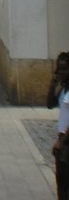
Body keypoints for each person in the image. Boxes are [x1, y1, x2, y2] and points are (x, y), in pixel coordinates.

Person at [48, 51, 69, 200]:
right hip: (62, 139)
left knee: (65, 183)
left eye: (64, 69)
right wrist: (52, 84)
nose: (60, 72)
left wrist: (61, 142)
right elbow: (50, 104)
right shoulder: (63, 88)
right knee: (61, 182)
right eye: (58, 69)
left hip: (67, 141)